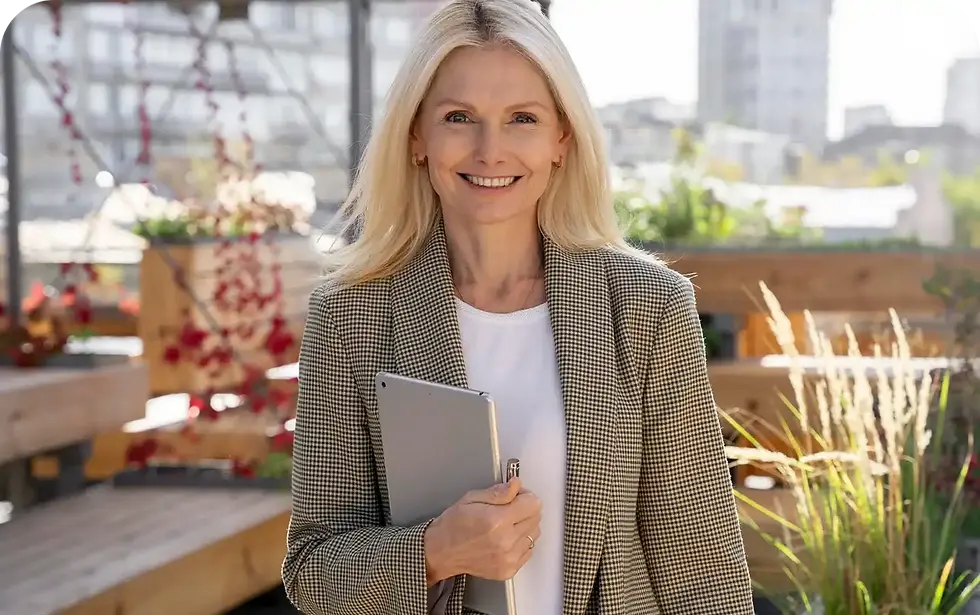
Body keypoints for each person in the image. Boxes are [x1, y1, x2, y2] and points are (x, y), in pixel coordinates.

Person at [282, 0, 754, 613]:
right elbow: (313, 571)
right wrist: (431, 551)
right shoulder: (349, 314)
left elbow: (701, 564)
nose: (490, 150)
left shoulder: (647, 305)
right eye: (459, 117)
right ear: (417, 137)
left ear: (562, 138)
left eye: (522, 119)